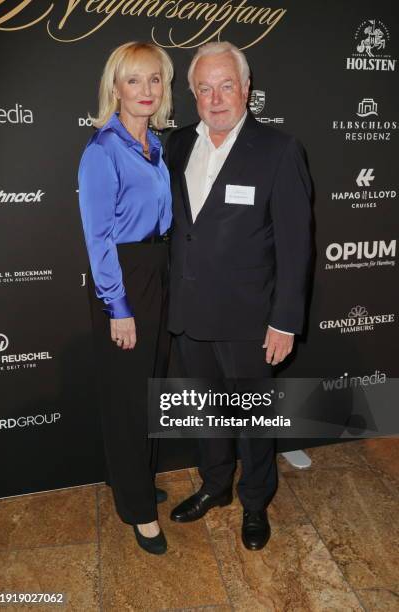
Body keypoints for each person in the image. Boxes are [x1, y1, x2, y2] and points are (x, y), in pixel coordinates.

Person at [166, 42, 312, 551]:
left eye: (226, 84)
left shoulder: (278, 149)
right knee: (208, 412)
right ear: (192, 94)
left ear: (246, 89)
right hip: (188, 313)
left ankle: (255, 502)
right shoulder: (176, 145)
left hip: (251, 320)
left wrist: (285, 320)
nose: (216, 97)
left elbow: (296, 245)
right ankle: (215, 486)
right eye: (204, 87)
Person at [78, 42, 173, 555]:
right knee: (128, 400)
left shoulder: (153, 146)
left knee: (151, 391)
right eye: (134, 80)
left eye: (154, 80)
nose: (145, 90)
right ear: (115, 87)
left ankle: (133, 479)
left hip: (158, 272)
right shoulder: (102, 150)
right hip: (124, 281)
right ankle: (138, 510)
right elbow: (99, 238)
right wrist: (118, 305)